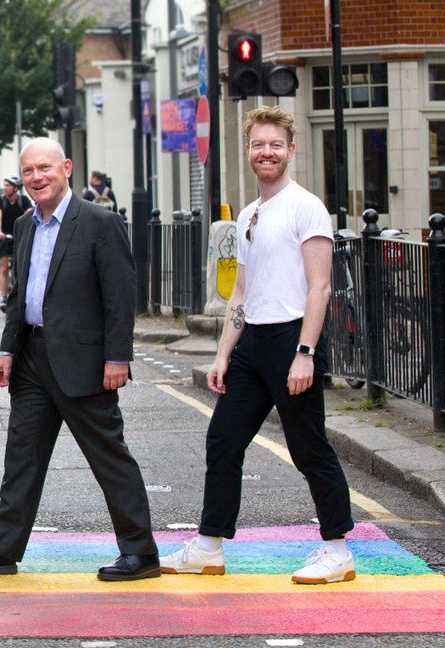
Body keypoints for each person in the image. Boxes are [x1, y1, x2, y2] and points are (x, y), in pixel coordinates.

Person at [0, 137, 159, 581]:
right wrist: (7, 351)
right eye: (28, 172)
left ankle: (140, 552)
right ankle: (2, 549)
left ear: (66, 168)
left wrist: (117, 357)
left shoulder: (100, 221)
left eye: (45, 168)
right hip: (31, 360)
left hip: (84, 362)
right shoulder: (24, 225)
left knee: (109, 457)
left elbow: (120, 296)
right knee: (21, 458)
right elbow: (20, 295)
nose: (37, 178)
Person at [160, 106, 354, 584]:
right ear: (248, 151)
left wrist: (305, 353)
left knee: (309, 448)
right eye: (257, 144)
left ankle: (337, 551)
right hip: (251, 346)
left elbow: (320, 288)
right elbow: (240, 295)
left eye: (275, 144)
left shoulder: (306, 206)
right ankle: (208, 547)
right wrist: (223, 354)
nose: (266, 152)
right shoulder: (249, 214)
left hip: (292, 339)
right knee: (223, 441)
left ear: (291, 150)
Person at [0, 175, 33, 312]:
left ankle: (18, 296)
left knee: (19, 268)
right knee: (3, 268)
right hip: (3, 236)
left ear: (16, 188)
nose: (5, 188)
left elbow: (29, 216)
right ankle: (4, 297)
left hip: (18, 237)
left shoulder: (24, 200)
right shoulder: (0, 201)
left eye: (8, 185)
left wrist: (28, 232)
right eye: (4, 185)